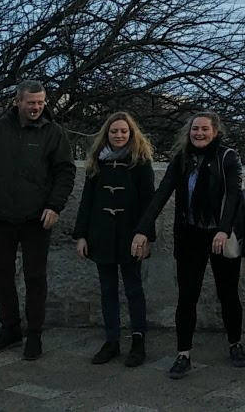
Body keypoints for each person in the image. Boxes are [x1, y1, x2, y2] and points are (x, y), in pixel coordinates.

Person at [132, 110, 245, 380]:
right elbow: (162, 193)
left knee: (228, 293)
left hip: (220, 234)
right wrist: (142, 230)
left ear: (215, 132)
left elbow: (233, 195)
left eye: (205, 129)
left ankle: (235, 344)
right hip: (190, 235)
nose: (199, 133)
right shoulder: (182, 159)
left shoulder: (228, 158)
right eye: (195, 129)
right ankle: (183, 353)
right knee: (187, 297)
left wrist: (223, 229)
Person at [0, 79, 75, 361]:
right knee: (1, 277)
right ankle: (10, 328)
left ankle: (35, 334)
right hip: (0, 216)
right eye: (31, 102)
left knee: (35, 278)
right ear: (18, 101)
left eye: (41, 102)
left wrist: (55, 206)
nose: (37, 107)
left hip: (36, 218)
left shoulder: (55, 134)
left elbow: (65, 173)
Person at [73, 111, 156, 367]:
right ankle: (111, 341)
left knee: (133, 289)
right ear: (106, 134)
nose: (118, 135)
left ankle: (138, 341)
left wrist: (145, 235)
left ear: (131, 134)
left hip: (130, 235)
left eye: (123, 131)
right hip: (102, 234)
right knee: (107, 290)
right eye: (114, 131)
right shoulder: (97, 162)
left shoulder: (140, 162)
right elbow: (87, 201)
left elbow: (149, 202)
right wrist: (81, 235)